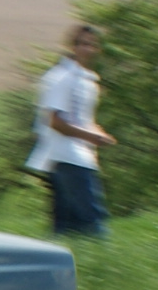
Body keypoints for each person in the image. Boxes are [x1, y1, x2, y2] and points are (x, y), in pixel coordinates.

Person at [24, 23, 115, 237]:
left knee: (66, 226)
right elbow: (55, 121)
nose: (87, 49)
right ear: (72, 46)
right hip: (66, 155)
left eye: (92, 45)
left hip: (79, 154)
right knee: (93, 222)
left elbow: (82, 119)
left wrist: (98, 133)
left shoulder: (86, 79)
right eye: (82, 44)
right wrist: (91, 136)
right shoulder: (61, 77)